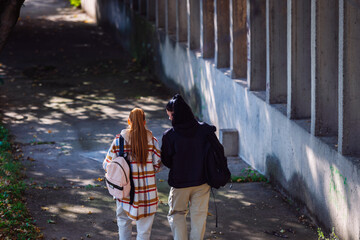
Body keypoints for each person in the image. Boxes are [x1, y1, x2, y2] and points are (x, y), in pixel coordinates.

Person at [161, 94, 216, 240]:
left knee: (177, 214)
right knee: (199, 216)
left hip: (180, 183)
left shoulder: (169, 136)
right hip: (202, 182)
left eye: (170, 115)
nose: (169, 119)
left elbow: (166, 160)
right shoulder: (204, 130)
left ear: (176, 115)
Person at [103, 108, 162, 240]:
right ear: (144, 122)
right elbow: (157, 166)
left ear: (129, 121)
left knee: (123, 223)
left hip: (125, 193)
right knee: (144, 231)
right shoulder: (152, 141)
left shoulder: (119, 141)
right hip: (148, 194)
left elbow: (107, 165)